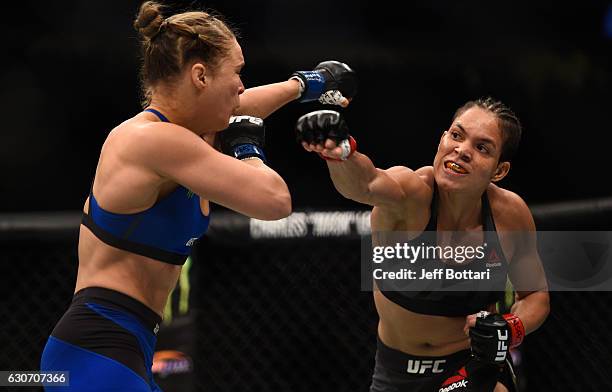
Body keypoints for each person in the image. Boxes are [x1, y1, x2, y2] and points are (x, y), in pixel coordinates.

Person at [39, 1, 356, 391]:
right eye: (237, 72)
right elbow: (275, 201)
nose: (241, 85)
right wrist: (247, 147)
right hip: (96, 352)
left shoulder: (180, 132)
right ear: (200, 76)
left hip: (122, 346)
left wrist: (308, 84)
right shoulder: (151, 140)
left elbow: (242, 106)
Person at [297, 98, 549, 391]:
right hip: (396, 372)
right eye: (457, 135)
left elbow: (535, 296)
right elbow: (365, 184)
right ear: (443, 139)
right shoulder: (410, 195)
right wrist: (340, 152)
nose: (463, 150)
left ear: (499, 170)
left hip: (473, 365)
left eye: (482, 148)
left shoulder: (510, 215)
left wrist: (511, 326)